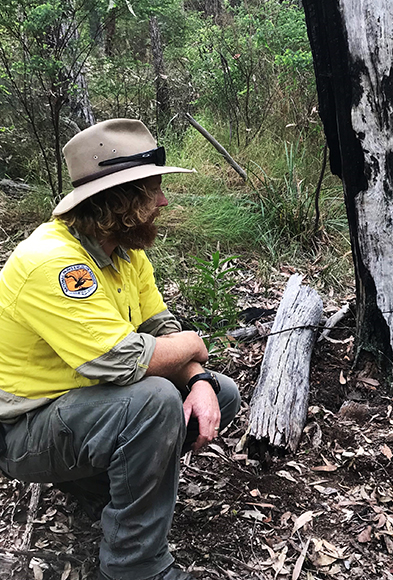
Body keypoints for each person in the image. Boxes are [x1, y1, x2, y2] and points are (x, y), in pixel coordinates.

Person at [0, 119, 241, 580]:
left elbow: (159, 325)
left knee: (219, 395)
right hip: (25, 429)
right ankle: (136, 567)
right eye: (153, 190)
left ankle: (97, 486)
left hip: (82, 409)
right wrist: (194, 345)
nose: (163, 202)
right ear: (119, 201)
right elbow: (118, 361)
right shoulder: (53, 262)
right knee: (152, 402)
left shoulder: (125, 253)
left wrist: (200, 379)